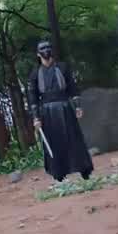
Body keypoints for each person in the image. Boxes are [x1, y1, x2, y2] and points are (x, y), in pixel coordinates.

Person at [28, 40, 94, 183]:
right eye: (43, 49)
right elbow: (33, 97)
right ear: (38, 54)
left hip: (65, 108)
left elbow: (72, 87)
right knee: (54, 143)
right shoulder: (35, 73)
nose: (46, 51)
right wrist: (36, 118)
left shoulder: (63, 67)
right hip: (47, 113)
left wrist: (77, 106)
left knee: (74, 139)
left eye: (48, 48)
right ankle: (59, 174)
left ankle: (84, 170)